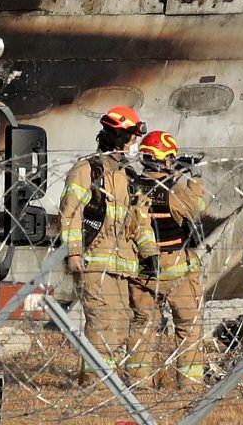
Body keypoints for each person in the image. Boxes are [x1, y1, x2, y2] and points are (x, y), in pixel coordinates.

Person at [58, 105, 158, 381]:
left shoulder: (126, 177)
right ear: (118, 137)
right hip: (94, 262)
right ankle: (97, 387)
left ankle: (106, 384)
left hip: (121, 266)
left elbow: (140, 219)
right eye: (132, 138)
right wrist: (74, 253)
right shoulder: (87, 171)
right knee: (104, 325)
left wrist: (150, 253)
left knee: (120, 323)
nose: (135, 145)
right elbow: (70, 212)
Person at [127, 130, 208, 389]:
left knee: (143, 326)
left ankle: (138, 384)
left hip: (142, 270)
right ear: (165, 161)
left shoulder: (132, 187)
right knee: (187, 325)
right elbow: (197, 209)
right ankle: (190, 384)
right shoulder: (175, 190)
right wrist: (193, 177)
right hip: (176, 269)